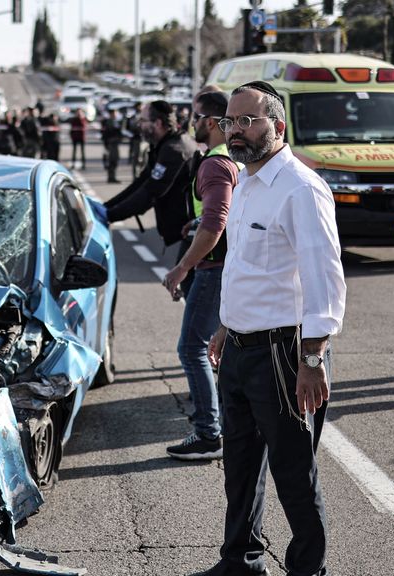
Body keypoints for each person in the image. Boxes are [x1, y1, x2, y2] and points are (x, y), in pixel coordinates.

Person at [200, 81, 346, 576]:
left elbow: (324, 279)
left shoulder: (301, 188)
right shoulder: (244, 181)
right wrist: (225, 326)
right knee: (239, 468)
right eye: (228, 122)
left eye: (246, 121)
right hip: (239, 349)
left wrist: (312, 360)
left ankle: (308, 570)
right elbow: (243, 267)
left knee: (293, 474)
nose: (234, 131)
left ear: (277, 127)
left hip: (286, 354)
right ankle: (240, 562)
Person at [160, 91, 239, 461]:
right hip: (224, 265)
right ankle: (226, 423)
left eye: (194, 117)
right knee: (218, 347)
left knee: (193, 348)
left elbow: (216, 223)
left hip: (213, 268)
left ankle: (209, 433)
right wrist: (194, 223)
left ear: (209, 122)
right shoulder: (231, 159)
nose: (190, 123)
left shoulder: (215, 164)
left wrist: (183, 266)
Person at [104, 100, 196, 248]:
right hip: (187, 230)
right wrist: (106, 208)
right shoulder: (166, 144)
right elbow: (142, 182)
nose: (139, 125)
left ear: (158, 123)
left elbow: (151, 192)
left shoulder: (174, 149)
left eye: (143, 120)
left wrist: (109, 215)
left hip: (191, 231)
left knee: (182, 270)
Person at [101, 108, 123, 183]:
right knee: (112, 160)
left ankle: (112, 177)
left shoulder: (116, 122)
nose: (115, 115)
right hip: (111, 144)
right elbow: (106, 134)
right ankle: (111, 177)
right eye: (114, 113)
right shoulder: (109, 122)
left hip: (115, 143)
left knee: (115, 160)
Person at [127, 102, 144, 177]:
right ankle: (135, 175)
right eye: (140, 106)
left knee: (144, 159)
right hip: (136, 139)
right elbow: (127, 128)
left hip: (145, 140)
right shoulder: (132, 116)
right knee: (136, 158)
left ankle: (142, 176)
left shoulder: (146, 116)